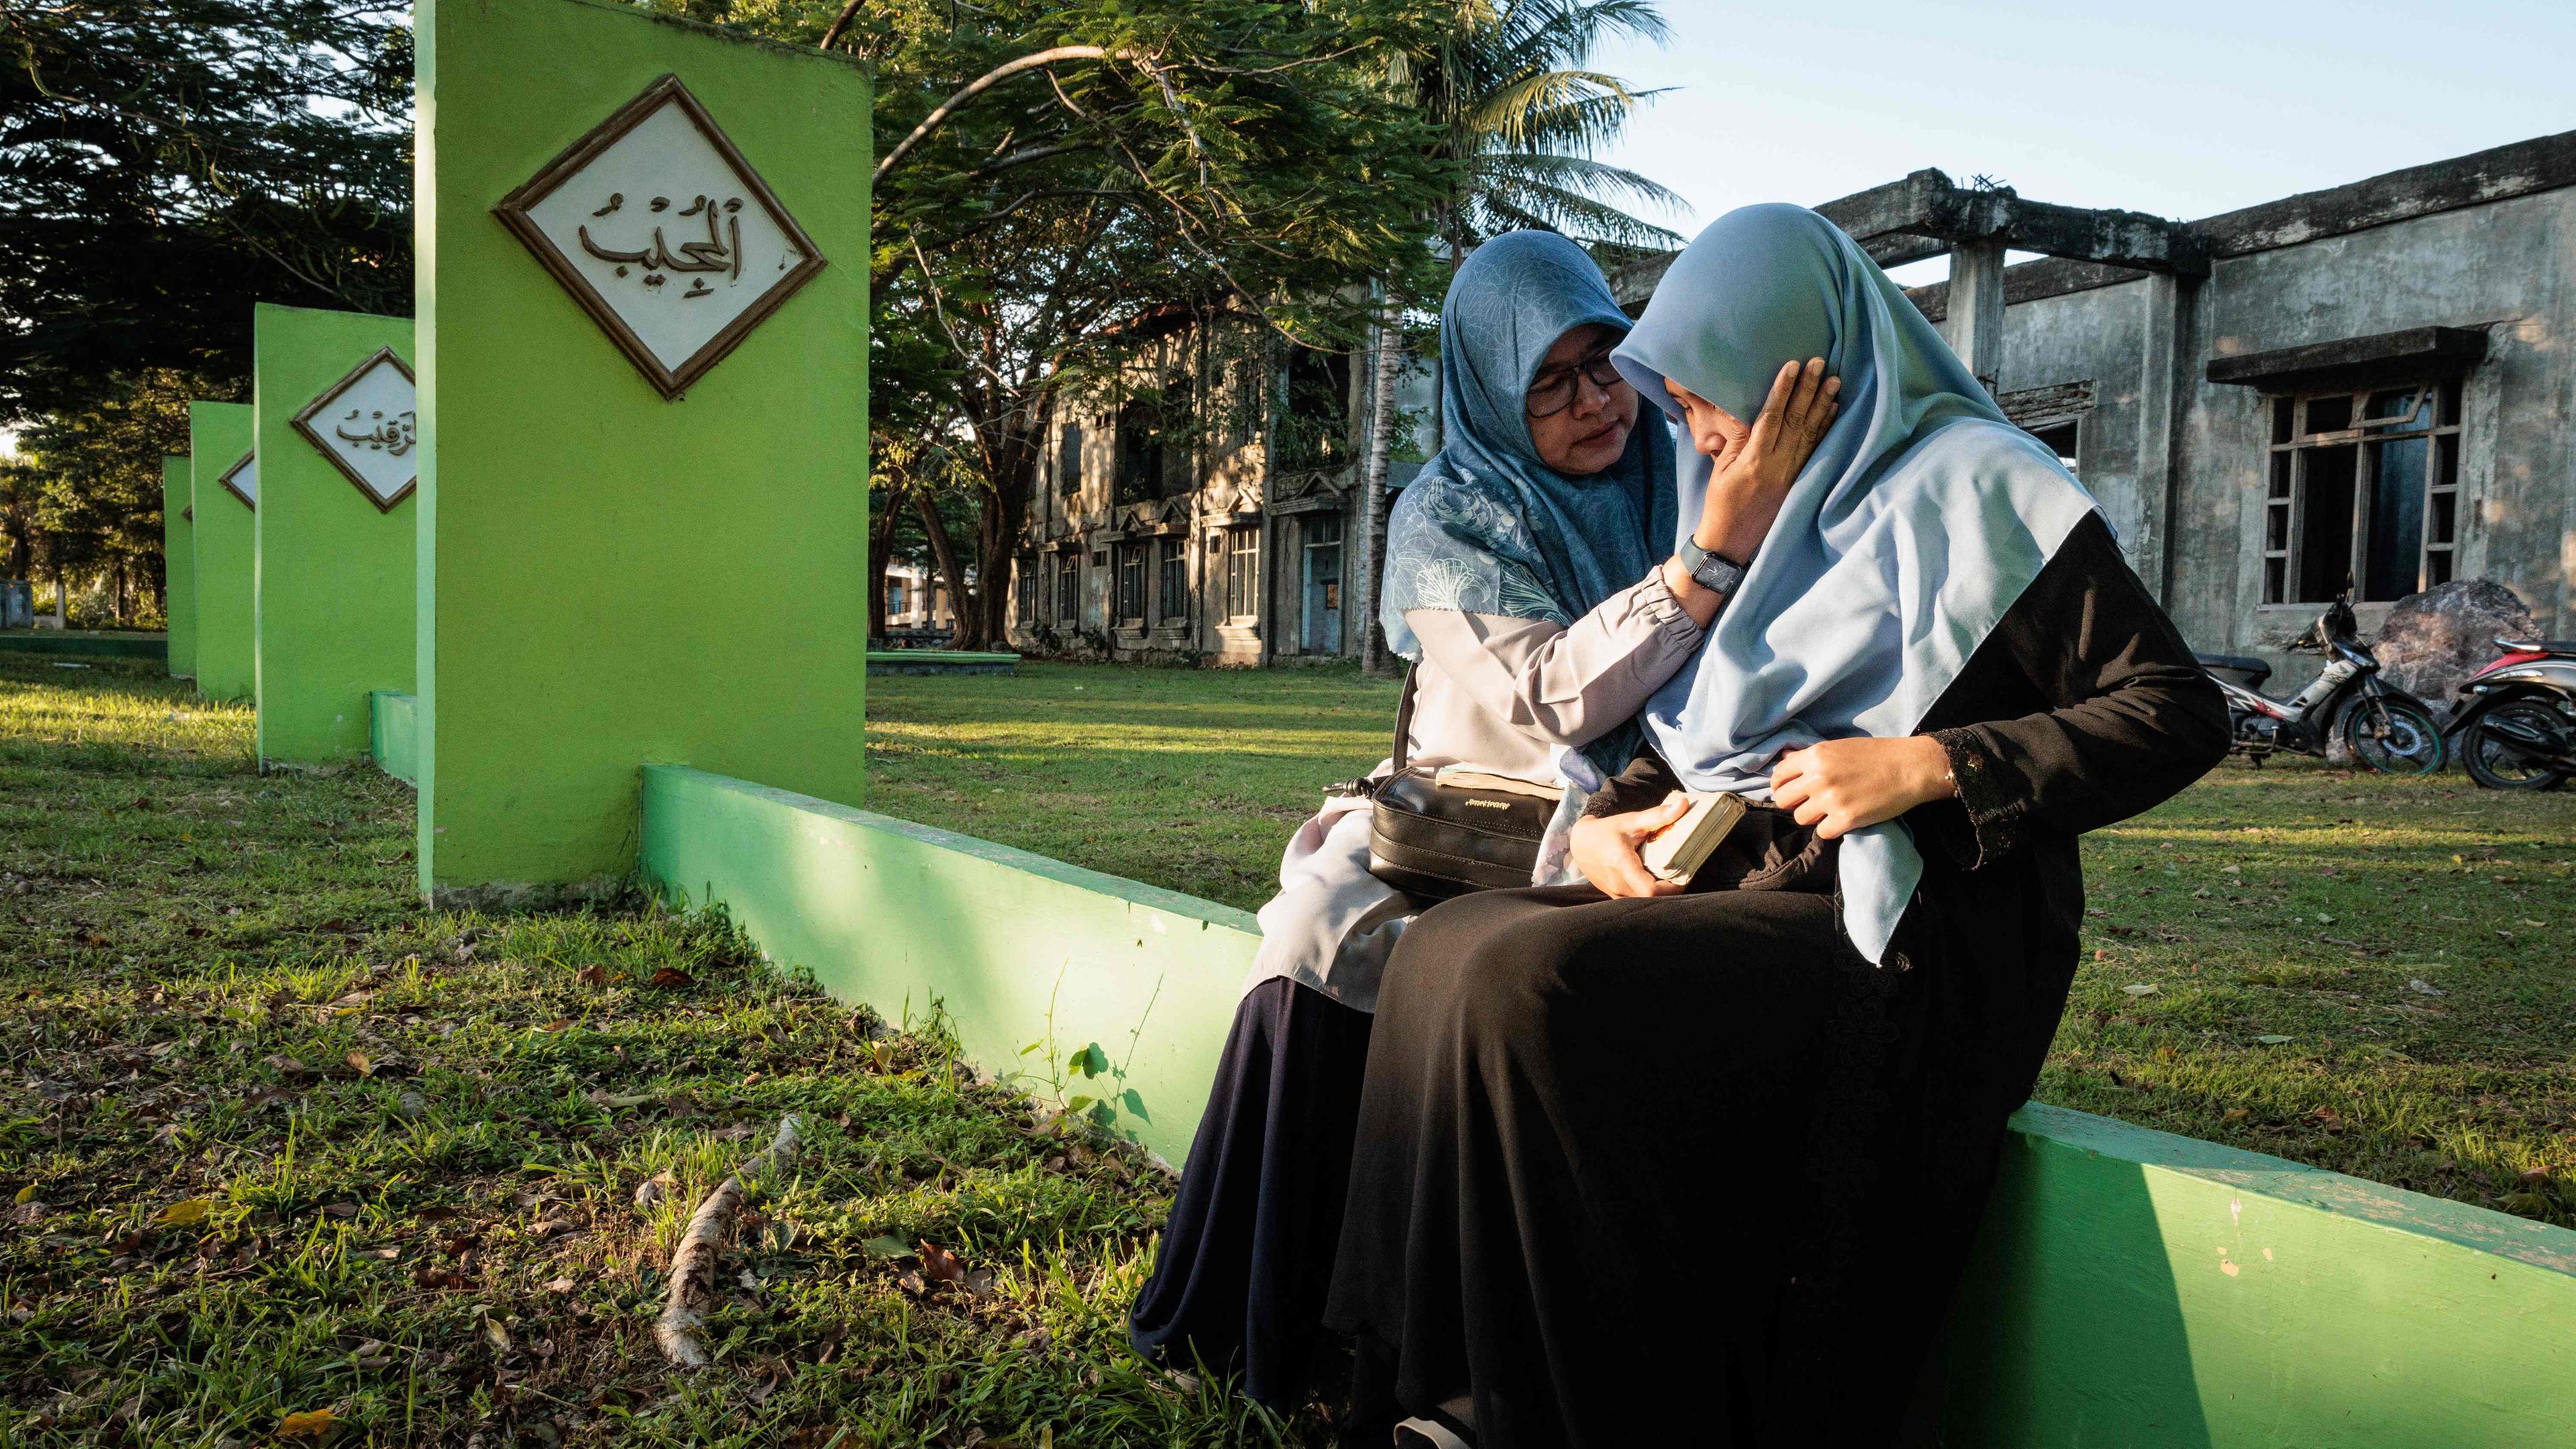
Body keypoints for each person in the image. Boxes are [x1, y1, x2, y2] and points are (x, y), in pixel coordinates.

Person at [1325, 205, 2231, 1448]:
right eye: (1680, 405)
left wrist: (1931, 764)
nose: (1692, 437)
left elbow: (2177, 712)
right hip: (1759, 878)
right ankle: (1428, 1382)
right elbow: (1693, 730)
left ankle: (1543, 1416)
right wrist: (1609, 822)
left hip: (1920, 920)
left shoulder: (1987, 487)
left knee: (1534, 983)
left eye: (1707, 400)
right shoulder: (1778, 515)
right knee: (1443, 950)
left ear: (1801, 369)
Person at [1126, 229, 1839, 1406]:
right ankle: (1262, 1320)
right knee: (1327, 930)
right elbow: (1555, 694)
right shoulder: (1449, 515)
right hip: (1482, 808)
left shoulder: (1679, 465)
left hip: (1666, 797)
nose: (1592, 403)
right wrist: (1709, 558)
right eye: (1546, 383)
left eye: (1604, 361)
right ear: (1491, 394)